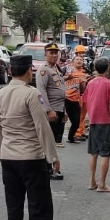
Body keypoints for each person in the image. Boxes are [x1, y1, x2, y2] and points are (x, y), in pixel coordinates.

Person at [0, 55, 64, 220]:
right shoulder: (32, 94)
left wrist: (0, 154)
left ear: (11, 71)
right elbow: (42, 128)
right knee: (40, 207)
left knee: (13, 207)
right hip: (31, 158)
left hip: (8, 158)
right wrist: (52, 157)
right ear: (28, 71)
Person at [82, 58, 110, 193]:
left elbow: (85, 101)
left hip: (93, 121)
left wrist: (87, 118)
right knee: (105, 153)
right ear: (107, 69)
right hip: (104, 122)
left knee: (94, 152)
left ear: (96, 69)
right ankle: (102, 184)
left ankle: (92, 181)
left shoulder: (90, 83)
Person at [36, 43, 66, 180]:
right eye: (51, 53)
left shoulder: (56, 69)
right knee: (48, 141)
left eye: (56, 53)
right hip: (51, 111)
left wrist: (63, 111)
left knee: (54, 141)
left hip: (59, 109)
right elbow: (41, 92)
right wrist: (48, 110)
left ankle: (51, 167)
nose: (54, 55)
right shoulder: (44, 70)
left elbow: (61, 91)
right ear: (45, 55)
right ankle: (47, 169)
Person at [64, 56, 88, 144]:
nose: (79, 61)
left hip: (77, 99)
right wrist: (67, 77)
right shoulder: (68, 70)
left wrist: (84, 83)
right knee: (74, 120)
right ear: (73, 62)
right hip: (67, 98)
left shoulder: (83, 73)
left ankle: (76, 134)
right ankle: (73, 136)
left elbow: (82, 90)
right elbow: (58, 81)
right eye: (77, 59)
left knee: (79, 119)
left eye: (81, 59)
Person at [73, 45, 90, 141]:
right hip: (76, 95)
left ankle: (81, 131)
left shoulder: (85, 66)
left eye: (83, 53)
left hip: (85, 94)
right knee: (78, 115)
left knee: (83, 114)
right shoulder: (72, 68)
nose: (81, 56)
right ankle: (77, 133)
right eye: (80, 53)